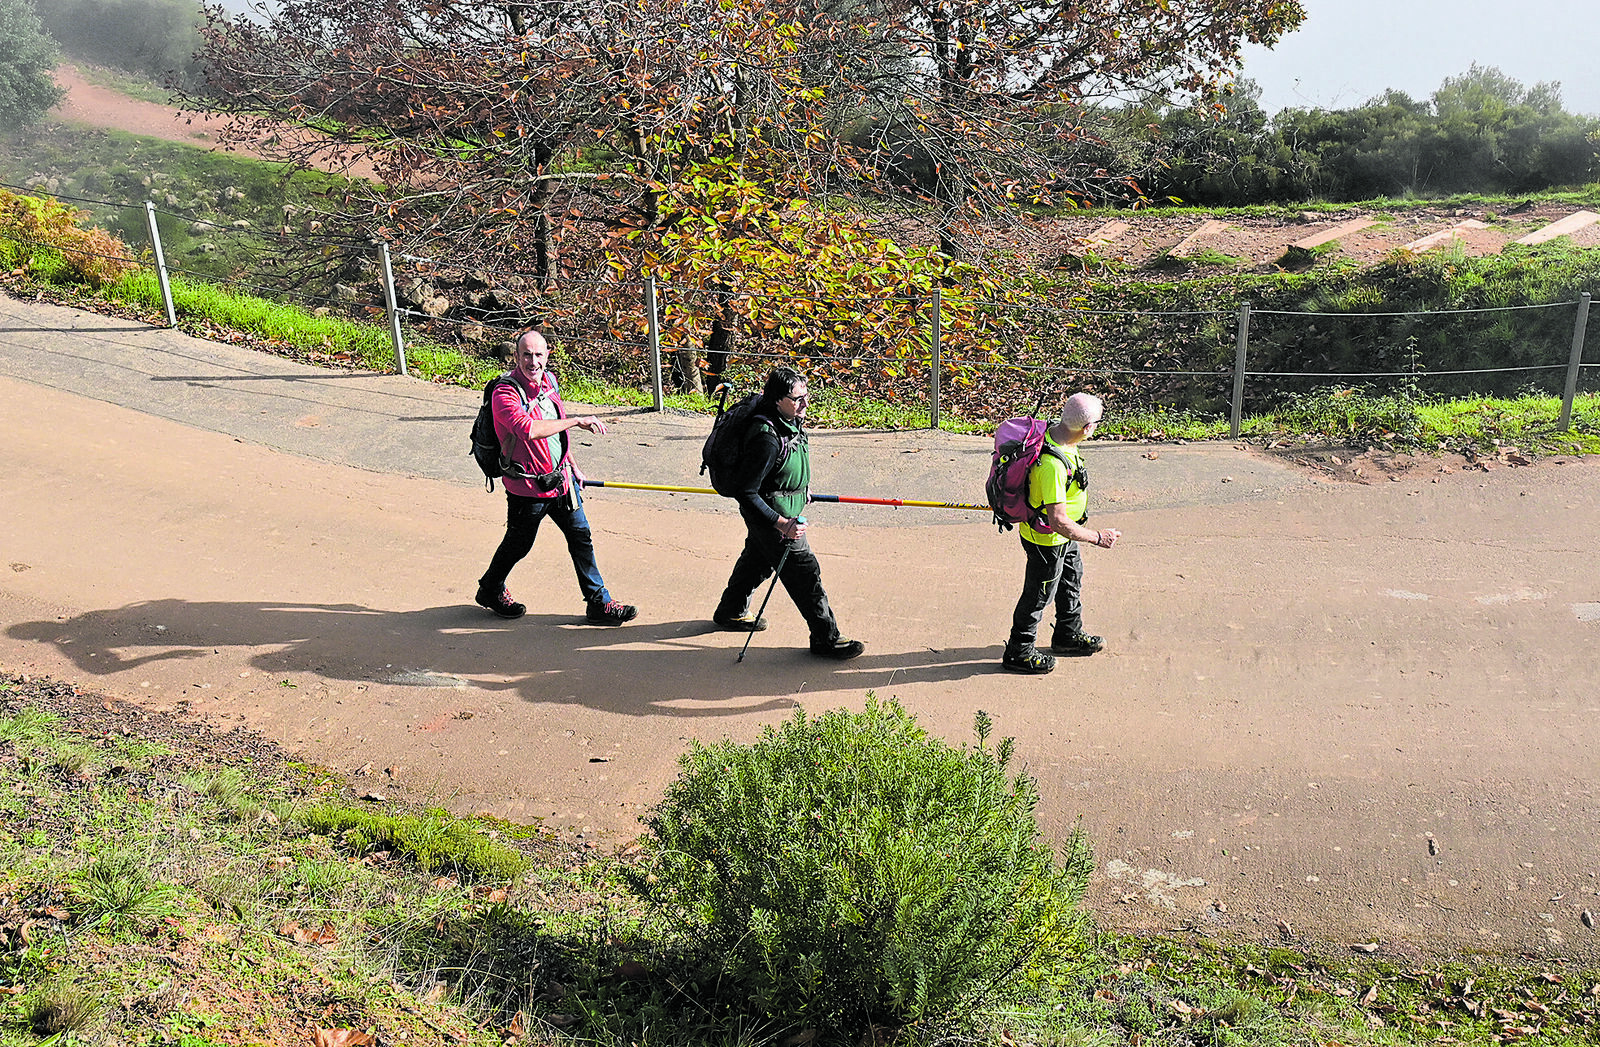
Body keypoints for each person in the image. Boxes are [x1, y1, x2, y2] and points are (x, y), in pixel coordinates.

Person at [473, 328, 637, 625]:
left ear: (547, 355)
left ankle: (599, 603)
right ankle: (490, 588)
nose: (532, 362)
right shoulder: (504, 393)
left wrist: (572, 466)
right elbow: (529, 430)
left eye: (538, 354)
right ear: (516, 356)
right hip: (527, 488)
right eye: (526, 355)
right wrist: (577, 420)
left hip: (561, 483)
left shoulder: (550, 383)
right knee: (518, 544)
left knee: (581, 539)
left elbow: (555, 431)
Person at [712, 367, 864, 660]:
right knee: (806, 576)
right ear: (777, 399)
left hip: (779, 513)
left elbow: (785, 466)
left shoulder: (790, 420)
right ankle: (826, 638)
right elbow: (747, 492)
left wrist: (800, 487)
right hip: (774, 519)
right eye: (798, 399)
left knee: (757, 561)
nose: (805, 404)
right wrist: (781, 524)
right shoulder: (766, 438)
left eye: (806, 397)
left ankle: (730, 611)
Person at [1002, 392, 1120, 674]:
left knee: (1070, 581)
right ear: (1088, 427)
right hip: (1048, 540)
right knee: (1038, 595)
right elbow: (1057, 521)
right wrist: (1096, 537)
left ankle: (1068, 635)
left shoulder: (1063, 436)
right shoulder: (1052, 465)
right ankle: (1018, 651)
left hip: (1065, 538)